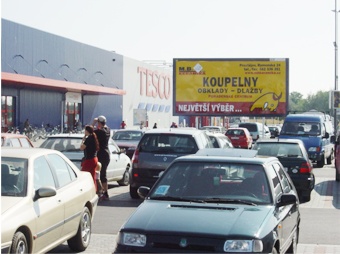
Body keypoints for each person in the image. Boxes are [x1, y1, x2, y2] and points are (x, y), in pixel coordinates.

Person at [92, 115, 111, 201]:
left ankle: (105, 193)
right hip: (106, 154)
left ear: (99, 123)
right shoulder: (108, 130)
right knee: (102, 174)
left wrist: (93, 122)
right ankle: (102, 192)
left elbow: (89, 131)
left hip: (101, 155)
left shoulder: (100, 132)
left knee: (102, 174)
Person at [80, 125, 99, 190]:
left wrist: (83, 140)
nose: (84, 132)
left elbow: (82, 148)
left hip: (89, 160)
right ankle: (94, 189)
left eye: (85, 130)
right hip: (94, 158)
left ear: (87, 131)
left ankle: (84, 189)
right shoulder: (93, 137)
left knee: (83, 174)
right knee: (92, 175)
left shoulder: (88, 139)